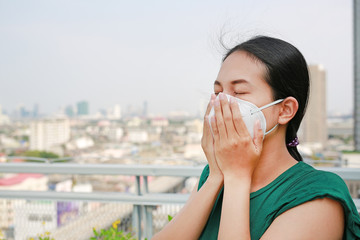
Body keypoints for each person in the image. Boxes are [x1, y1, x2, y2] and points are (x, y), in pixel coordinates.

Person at [152, 36, 360, 239]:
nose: (222, 103)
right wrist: (216, 175)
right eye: (217, 92)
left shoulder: (318, 195)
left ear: (285, 110)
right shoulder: (213, 176)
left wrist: (237, 177)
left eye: (240, 92)